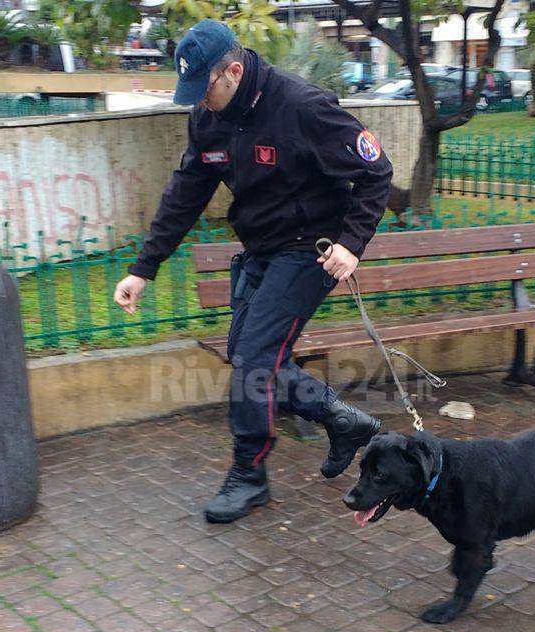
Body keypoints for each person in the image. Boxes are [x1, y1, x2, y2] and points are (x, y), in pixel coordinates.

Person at [112, 20, 394, 524]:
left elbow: (376, 172)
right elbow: (185, 193)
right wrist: (144, 268)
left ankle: (250, 476)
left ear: (234, 72)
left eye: (205, 91)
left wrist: (352, 245)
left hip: (313, 247)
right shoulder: (208, 119)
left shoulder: (302, 107)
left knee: (257, 359)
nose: (199, 102)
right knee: (246, 354)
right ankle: (341, 419)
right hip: (262, 248)